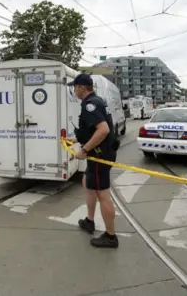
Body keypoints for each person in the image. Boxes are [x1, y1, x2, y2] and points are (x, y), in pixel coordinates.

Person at [64, 73, 119, 248]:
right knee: (88, 183)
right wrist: (78, 141)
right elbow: (92, 130)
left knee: (103, 193)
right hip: (100, 153)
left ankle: (111, 236)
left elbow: (103, 130)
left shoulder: (90, 105)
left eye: (75, 87)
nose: (74, 90)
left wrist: (85, 149)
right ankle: (89, 220)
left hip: (99, 155)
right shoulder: (97, 101)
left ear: (81, 87)